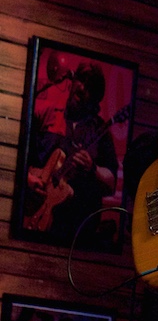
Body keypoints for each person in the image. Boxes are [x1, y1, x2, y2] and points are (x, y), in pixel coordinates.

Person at [24, 61, 119, 247]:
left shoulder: (100, 132)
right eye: (81, 80)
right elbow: (23, 157)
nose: (82, 88)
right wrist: (27, 178)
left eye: (90, 87)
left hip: (77, 235)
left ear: (96, 98)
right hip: (34, 217)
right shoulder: (48, 114)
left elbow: (111, 183)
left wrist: (93, 169)